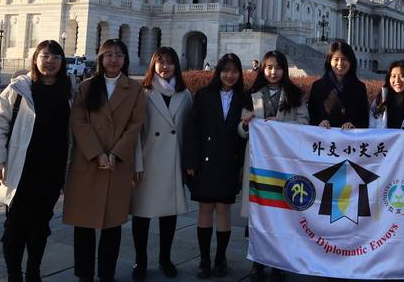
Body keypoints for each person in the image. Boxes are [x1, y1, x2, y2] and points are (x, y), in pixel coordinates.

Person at [0, 40, 72, 282]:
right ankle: (14, 275)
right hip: (21, 169)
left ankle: (34, 271)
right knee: (15, 228)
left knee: (41, 227)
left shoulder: (68, 91)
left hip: (51, 171)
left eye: (56, 57)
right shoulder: (19, 89)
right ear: (35, 59)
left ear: (62, 62)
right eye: (45, 55)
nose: (50, 61)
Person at [62, 39, 146, 282]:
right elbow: (79, 122)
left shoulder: (135, 88)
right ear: (100, 58)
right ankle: (85, 274)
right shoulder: (87, 87)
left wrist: (114, 153)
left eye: (119, 55)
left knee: (112, 225)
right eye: (108, 54)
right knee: (84, 224)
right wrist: (97, 152)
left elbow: (135, 125)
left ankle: (106, 273)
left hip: (116, 163)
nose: (113, 59)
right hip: (89, 161)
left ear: (125, 59)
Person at [239, 50, 309, 279]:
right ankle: (258, 259)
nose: (273, 72)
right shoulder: (251, 94)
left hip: (284, 163)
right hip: (258, 162)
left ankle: (279, 260)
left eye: (278, 68)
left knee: (281, 213)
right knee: (258, 212)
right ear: (262, 69)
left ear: (284, 70)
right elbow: (240, 130)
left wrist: (278, 124)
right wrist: (247, 125)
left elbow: (304, 123)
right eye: (268, 67)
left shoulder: (295, 94)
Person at [184, 53, 250, 278]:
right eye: (225, 70)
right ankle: (204, 258)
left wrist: (242, 165)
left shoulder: (246, 97)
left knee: (223, 209)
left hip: (229, 160)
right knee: (205, 209)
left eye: (234, 71)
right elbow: (192, 130)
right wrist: (191, 161)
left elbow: (248, 135)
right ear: (218, 71)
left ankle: (220, 257)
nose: (230, 75)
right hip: (205, 160)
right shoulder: (203, 95)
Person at [130, 47, 192, 279]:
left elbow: (189, 132)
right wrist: (136, 163)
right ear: (153, 65)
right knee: (142, 214)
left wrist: (189, 163)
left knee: (169, 215)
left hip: (173, 161)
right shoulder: (143, 92)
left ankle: (165, 258)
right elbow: (135, 132)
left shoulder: (184, 94)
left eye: (170, 63)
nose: (165, 67)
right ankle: (140, 260)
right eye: (160, 62)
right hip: (147, 160)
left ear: (177, 65)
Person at [309, 41, 369, 129]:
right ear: (329, 61)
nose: (340, 63)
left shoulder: (359, 87)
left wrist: (353, 126)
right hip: (325, 139)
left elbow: (364, 120)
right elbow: (311, 117)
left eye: (344, 59)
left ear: (351, 61)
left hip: (350, 140)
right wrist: (320, 123)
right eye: (336, 59)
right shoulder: (318, 86)